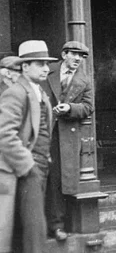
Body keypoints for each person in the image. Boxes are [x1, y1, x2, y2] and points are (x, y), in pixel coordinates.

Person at [0, 40, 56, 253]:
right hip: (24, 170)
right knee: (34, 230)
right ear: (24, 67)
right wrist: (28, 166)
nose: (46, 68)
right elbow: (5, 134)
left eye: (46, 64)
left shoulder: (38, 91)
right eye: (40, 64)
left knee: (31, 229)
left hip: (39, 166)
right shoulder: (16, 92)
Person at [40, 41, 94, 242]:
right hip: (42, 130)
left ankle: (57, 225)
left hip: (65, 136)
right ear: (64, 54)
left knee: (58, 180)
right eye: (74, 55)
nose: (78, 59)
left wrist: (70, 108)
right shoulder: (47, 70)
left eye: (81, 56)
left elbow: (88, 107)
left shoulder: (84, 80)